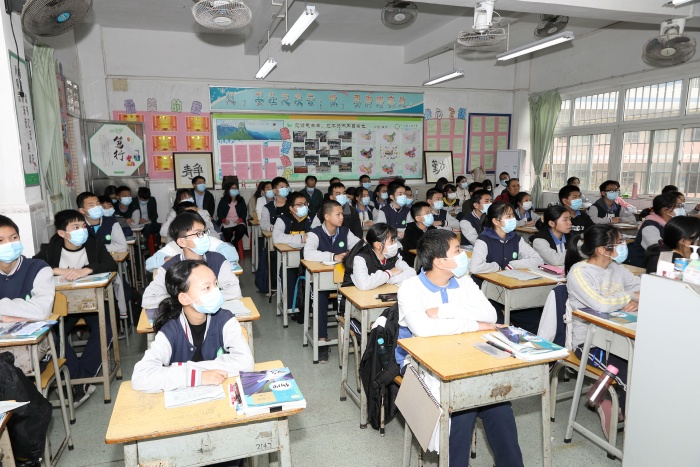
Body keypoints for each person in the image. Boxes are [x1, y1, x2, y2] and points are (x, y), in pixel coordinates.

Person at [395, 229, 524, 467]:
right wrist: (475, 324)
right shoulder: (410, 288)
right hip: (422, 366)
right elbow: (424, 329)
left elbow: (490, 314)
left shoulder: (463, 280)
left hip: (466, 358)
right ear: (439, 262)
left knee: (499, 405)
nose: (464, 254)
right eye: (457, 250)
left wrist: (444, 311)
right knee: (462, 408)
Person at [34, 209, 118, 407]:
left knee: (105, 328)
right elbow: (34, 266)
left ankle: (80, 380)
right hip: (63, 305)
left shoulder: (94, 244)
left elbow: (111, 264)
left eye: (83, 226)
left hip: (93, 303)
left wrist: (86, 270)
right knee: (53, 334)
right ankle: (78, 380)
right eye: (76, 227)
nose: (82, 230)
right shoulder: (50, 249)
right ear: (62, 233)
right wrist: (55, 270)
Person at [132, 260, 254, 392]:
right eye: (207, 288)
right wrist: (197, 377)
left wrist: (178, 369)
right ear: (184, 298)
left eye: (216, 284)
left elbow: (246, 363)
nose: (216, 291)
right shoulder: (170, 330)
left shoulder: (225, 319)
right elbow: (141, 376)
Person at [565, 224, 639, 437]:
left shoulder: (615, 267)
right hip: (589, 343)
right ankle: (620, 416)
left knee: (643, 366)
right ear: (602, 249)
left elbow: (641, 287)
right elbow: (601, 304)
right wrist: (629, 297)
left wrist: (637, 301)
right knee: (629, 375)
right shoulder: (579, 273)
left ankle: (609, 402)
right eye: (619, 242)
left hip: (620, 338)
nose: (623, 245)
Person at [142, 212, 241, 312]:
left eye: (204, 232)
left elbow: (234, 291)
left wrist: (204, 300)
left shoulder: (217, 260)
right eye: (198, 233)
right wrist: (187, 301)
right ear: (182, 242)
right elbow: (149, 299)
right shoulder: (170, 267)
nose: (204, 237)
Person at [303, 200, 361, 361]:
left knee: (355, 294)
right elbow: (308, 254)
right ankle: (321, 339)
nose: (342, 217)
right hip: (321, 280)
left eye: (342, 214)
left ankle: (354, 334)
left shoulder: (345, 232)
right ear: (327, 216)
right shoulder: (315, 233)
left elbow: (359, 246)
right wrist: (333, 256)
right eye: (338, 214)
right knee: (320, 298)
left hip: (342, 280)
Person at [0, 215, 55, 372]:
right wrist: (7, 316)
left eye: (13, 238)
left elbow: (41, 311)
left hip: (35, 346)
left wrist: (3, 310)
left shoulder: (38, 268)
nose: (9, 244)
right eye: (0, 241)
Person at [77, 191, 129, 320]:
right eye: (91, 205)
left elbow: (122, 246)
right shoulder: (78, 227)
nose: (97, 207)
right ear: (82, 210)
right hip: (84, 269)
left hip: (107, 266)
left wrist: (98, 249)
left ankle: (118, 318)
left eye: (97, 203)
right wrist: (106, 247)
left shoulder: (111, 222)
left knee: (123, 290)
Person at [469, 202, 543, 275]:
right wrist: (497, 267)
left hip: (509, 279)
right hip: (487, 281)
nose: (512, 219)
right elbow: (475, 267)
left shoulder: (516, 239)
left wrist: (514, 265)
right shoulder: (483, 240)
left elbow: (538, 260)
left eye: (513, 216)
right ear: (496, 221)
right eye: (508, 217)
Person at [341, 223, 415, 291]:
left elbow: (411, 273)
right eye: (391, 240)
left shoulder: (392, 255)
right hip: (354, 297)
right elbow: (364, 284)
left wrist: (388, 279)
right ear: (378, 245)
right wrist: (389, 273)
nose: (395, 244)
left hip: (378, 293)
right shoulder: (360, 258)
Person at [273, 191, 313, 315]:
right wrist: (301, 238)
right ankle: (291, 307)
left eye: (305, 204)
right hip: (288, 257)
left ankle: (309, 306)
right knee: (288, 276)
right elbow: (277, 238)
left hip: (309, 257)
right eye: (299, 205)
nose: (303, 207)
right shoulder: (283, 219)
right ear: (291, 208)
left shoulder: (311, 218)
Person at [627, 192, 680, 267]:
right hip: (645, 265)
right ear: (665, 210)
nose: (681, 209)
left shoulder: (669, 225)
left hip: (663, 262)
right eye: (678, 206)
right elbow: (659, 250)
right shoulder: (650, 227)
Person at [401, 202, 435, 268]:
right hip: (413, 264)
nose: (431, 215)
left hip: (430, 261)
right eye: (427, 213)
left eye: (430, 212)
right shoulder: (410, 230)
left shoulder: (432, 229)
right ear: (418, 218)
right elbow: (415, 247)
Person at [216, 180, 248, 247]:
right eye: (232, 188)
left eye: (236, 188)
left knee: (241, 229)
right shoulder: (223, 200)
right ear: (228, 190)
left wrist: (240, 220)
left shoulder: (241, 200)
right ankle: (229, 244)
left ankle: (235, 242)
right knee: (228, 231)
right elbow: (219, 212)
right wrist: (224, 220)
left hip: (238, 222)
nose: (234, 190)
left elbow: (244, 212)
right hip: (227, 222)